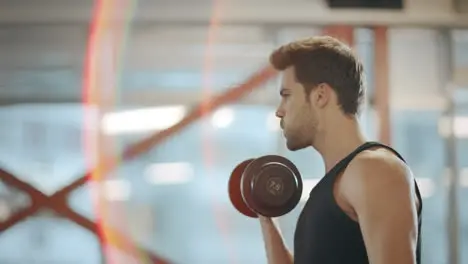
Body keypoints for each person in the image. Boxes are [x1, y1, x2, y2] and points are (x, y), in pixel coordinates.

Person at [260, 36, 423, 264]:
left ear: (320, 95)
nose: (279, 111)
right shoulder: (331, 187)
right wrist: (265, 213)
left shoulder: (376, 169)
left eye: (286, 96)